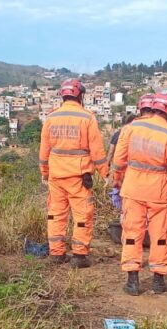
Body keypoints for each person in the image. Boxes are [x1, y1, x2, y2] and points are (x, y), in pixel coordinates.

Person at [112, 90, 167, 296]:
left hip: (133, 189)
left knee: (132, 234)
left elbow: (119, 161)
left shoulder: (131, 128)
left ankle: (132, 280)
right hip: (159, 193)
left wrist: (117, 183)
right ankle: (158, 281)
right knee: (160, 236)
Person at [38, 79, 108, 268]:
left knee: (55, 215)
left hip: (56, 177)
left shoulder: (51, 118)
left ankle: (56, 254)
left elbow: (44, 151)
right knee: (82, 216)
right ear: (80, 95)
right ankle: (79, 256)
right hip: (78, 177)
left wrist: (44, 173)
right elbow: (97, 151)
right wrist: (105, 174)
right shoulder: (87, 117)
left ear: (63, 95)